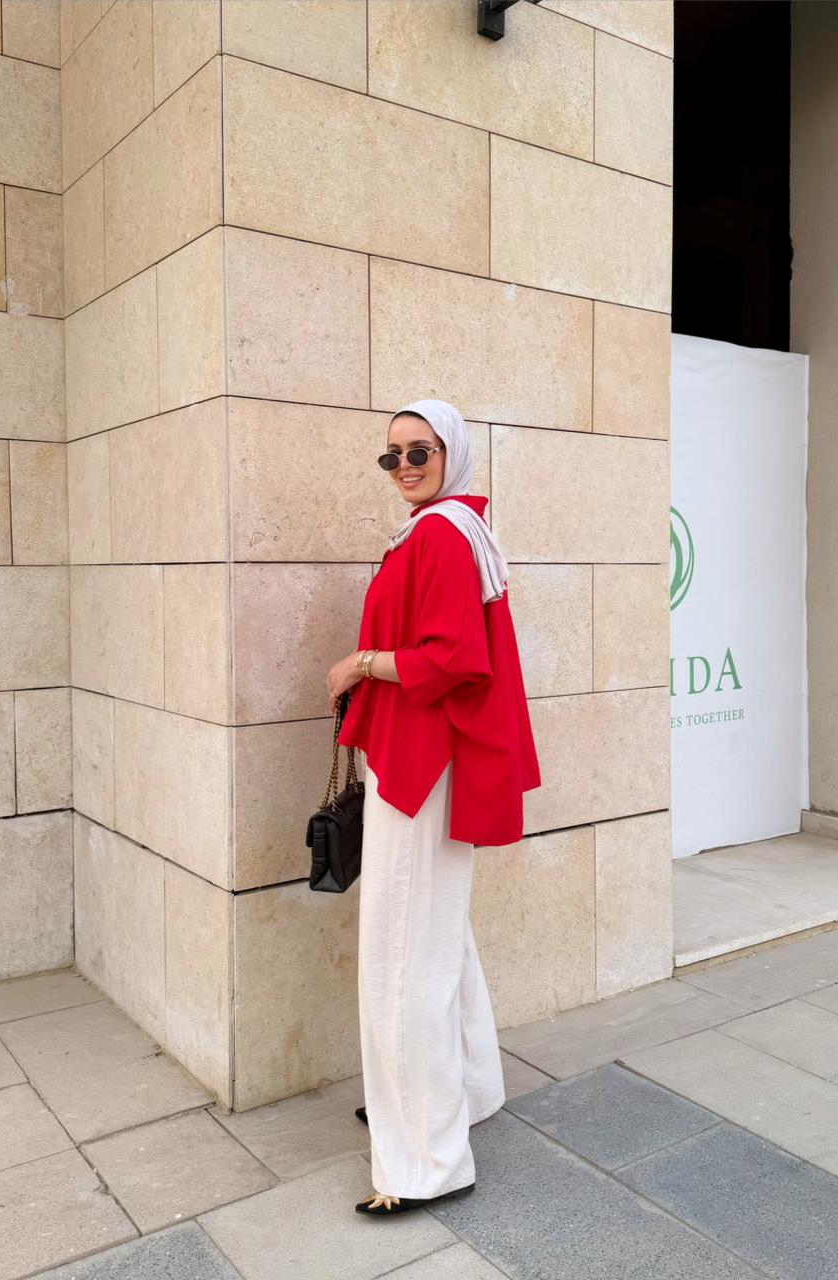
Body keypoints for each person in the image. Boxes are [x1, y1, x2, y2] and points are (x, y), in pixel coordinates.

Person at [325, 398, 541, 1216]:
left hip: (421, 762)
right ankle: (464, 1091)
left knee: (402, 950)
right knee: (438, 934)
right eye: (392, 456)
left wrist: (360, 665)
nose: (405, 466)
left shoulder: (444, 534)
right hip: (426, 759)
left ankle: (422, 1157)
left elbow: (454, 658)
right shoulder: (447, 528)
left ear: (452, 452)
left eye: (419, 450)